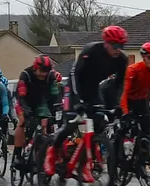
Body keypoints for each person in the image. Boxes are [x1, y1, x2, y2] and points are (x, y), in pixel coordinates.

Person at [47, 26, 129, 176]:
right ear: (106, 43)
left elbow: (118, 85)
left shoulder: (122, 60)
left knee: (99, 122)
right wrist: (78, 100)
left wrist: (117, 105)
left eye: (121, 46)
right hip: (75, 87)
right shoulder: (91, 51)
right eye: (115, 46)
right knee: (71, 123)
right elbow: (74, 74)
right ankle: (52, 153)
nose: (118, 50)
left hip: (93, 89)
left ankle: (83, 161)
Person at [12, 55, 62, 171]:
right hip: (24, 100)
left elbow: (56, 97)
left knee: (45, 124)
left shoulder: (51, 76)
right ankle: (18, 154)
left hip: (40, 102)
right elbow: (21, 97)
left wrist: (57, 111)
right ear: (35, 68)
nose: (43, 74)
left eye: (46, 71)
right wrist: (26, 111)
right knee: (23, 121)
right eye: (41, 71)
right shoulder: (26, 75)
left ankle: (40, 153)